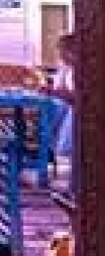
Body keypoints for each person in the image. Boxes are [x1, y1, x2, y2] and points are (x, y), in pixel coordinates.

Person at [52, 33, 76, 182]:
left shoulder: (80, 69)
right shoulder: (66, 68)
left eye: (62, 51)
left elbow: (76, 97)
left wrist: (56, 92)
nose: (60, 55)